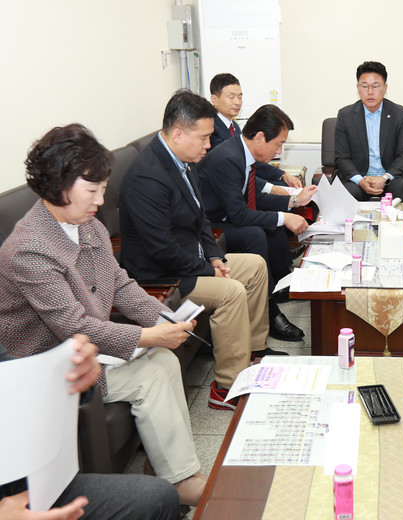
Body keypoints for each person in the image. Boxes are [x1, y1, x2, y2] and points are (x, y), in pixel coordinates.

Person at [0, 123, 208, 506]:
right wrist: (149, 337)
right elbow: (73, 327)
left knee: (164, 360)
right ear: (59, 184)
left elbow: (122, 286)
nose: (100, 200)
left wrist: (164, 319)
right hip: (50, 368)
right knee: (151, 373)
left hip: (87, 352)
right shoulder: (29, 249)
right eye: (92, 190)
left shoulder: (88, 226)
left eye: (103, 188)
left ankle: (172, 471)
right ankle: (179, 480)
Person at [119, 89, 280, 412]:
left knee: (254, 265)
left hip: (191, 260)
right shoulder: (148, 176)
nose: (209, 144)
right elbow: (161, 250)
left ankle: (252, 352)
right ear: (179, 134)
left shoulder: (184, 160)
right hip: (164, 273)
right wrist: (208, 269)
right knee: (231, 291)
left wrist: (215, 256)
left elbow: (201, 218)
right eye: (204, 137)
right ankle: (227, 387)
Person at [0, 335, 181, 519]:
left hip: (20, 486)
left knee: (159, 497)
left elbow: (16, 389)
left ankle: (180, 476)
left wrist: (74, 375)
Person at [198, 104, 318, 342]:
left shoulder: (242, 153)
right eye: (279, 144)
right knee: (255, 233)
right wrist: (285, 217)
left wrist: (293, 202)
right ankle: (269, 310)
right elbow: (239, 214)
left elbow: (253, 197)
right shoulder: (228, 158)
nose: (280, 151)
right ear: (260, 137)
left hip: (227, 216)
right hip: (211, 225)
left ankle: (277, 286)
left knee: (271, 224)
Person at [335, 60, 403, 202]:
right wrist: (360, 181)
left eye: (376, 86)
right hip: (359, 179)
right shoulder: (345, 116)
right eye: (365, 86)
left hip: (390, 178)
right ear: (358, 88)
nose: (370, 92)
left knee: (401, 187)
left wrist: (384, 178)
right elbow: (342, 158)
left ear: (385, 88)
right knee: (348, 192)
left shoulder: (400, 114)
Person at [208, 72, 301, 188]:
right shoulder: (210, 129)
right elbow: (233, 172)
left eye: (240, 97)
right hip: (227, 185)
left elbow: (251, 162)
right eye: (231, 97)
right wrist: (271, 188)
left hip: (242, 179)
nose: (237, 102)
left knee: (285, 185)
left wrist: (282, 175)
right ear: (215, 99)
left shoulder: (235, 126)